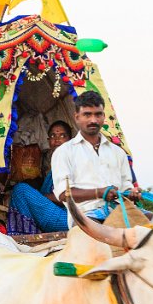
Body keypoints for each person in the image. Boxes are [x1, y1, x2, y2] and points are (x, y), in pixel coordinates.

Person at [52, 90, 140, 221]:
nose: (93, 120)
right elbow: (64, 194)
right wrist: (99, 192)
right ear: (77, 117)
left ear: (104, 116)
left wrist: (132, 193)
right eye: (87, 115)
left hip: (120, 212)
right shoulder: (63, 152)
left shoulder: (118, 152)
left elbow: (126, 187)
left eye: (98, 114)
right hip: (86, 216)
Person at [7, 121, 74, 232]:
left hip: (66, 218)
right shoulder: (56, 165)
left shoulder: (72, 161)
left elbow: (70, 196)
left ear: (70, 140)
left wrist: (41, 197)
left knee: (21, 190)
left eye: (62, 135)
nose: (57, 139)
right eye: (53, 136)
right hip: (56, 214)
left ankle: (24, 234)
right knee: (22, 190)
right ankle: (27, 233)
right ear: (48, 141)